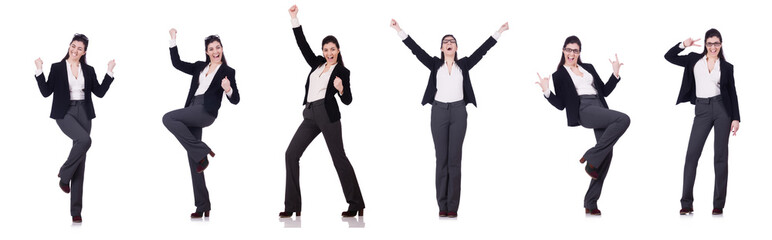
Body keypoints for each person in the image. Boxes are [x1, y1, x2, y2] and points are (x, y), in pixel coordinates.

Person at [390, 18, 508, 218]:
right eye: (446, 41)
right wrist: (399, 30)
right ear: (442, 48)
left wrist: (500, 31)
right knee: (441, 159)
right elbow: (416, 50)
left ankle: (452, 206)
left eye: (452, 41)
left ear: (456, 47)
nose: (449, 43)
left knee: (454, 159)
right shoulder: (435, 64)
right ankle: (441, 206)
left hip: (459, 112)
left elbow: (483, 50)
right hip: (438, 112)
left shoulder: (464, 64)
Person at [280, 5, 365, 218]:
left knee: (339, 158)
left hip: (328, 115)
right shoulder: (316, 64)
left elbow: (348, 100)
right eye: (326, 50)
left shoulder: (343, 71)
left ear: (338, 50)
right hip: (309, 114)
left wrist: (341, 88)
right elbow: (302, 45)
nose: (329, 53)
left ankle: (356, 203)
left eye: (332, 49)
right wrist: (294, 19)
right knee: (291, 154)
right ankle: (292, 206)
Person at [536, 36, 629, 216]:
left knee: (606, 155)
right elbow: (561, 104)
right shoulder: (559, 75)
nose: (572, 53)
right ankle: (590, 155)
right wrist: (546, 91)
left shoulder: (589, 68)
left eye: (575, 50)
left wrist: (615, 74)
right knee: (624, 119)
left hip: (600, 107)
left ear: (579, 52)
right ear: (563, 50)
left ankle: (590, 202)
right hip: (584, 109)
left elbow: (605, 91)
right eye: (569, 50)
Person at [34, 33, 116, 223]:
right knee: (85, 141)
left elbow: (100, 92)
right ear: (69, 46)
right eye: (73, 46)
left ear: (84, 51)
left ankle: (76, 212)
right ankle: (64, 174)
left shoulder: (88, 70)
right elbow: (46, 92)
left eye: (79, 48)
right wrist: (39, 70)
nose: (75, 50)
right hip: (65, 112)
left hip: (85, 113)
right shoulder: (57, 67)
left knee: (81, 159)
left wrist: (109, 71)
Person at [163, 28, 240, 218]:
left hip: (205, 111)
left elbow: (236, 99)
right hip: (191, 109)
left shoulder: (228, 71)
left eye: (218, 47)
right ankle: (203, 206)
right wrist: (173, 40)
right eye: (211, 48)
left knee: (168, 118)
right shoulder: (199, 67)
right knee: (194, 160)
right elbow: (177, 63)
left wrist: (228, 88)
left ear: (222, 49)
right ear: (206, 52)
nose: (215, 51)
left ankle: (203, 150)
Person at [664, 29, 740, 216]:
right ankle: (686, 203)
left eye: (716, 43)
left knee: (720, 157)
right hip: (702, 110)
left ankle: (718, 205)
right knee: (692, 156)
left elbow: (732, 92)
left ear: (721, 45)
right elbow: (669, 56)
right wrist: (684, 44)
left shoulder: (727, 66)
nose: (713, 47)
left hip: (722, 109)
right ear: (705, 44)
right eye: (709, 43)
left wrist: (736, 117)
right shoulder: (693, 60)